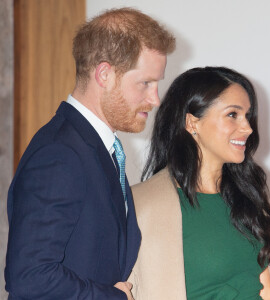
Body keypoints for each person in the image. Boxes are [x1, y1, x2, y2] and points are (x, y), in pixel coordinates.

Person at [5, 8, 175, 299]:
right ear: (105, 74)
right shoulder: (60, 155)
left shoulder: (92, 147)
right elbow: (29, 278)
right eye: (146, 83)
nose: (155, 99)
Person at [128, 67, 270, 299]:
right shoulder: (142, 207)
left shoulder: (248, 199)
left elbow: (267, 289)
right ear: (192, 123)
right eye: (233, 114)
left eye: (247, 116)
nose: (247, 128)